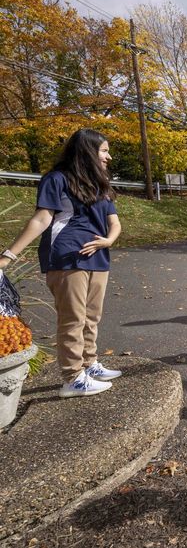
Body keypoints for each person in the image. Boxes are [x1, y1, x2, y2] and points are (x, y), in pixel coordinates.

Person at [0, 128, 122, 398]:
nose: (108, 157)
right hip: (67, 257)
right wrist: (8, 256)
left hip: (98, 258)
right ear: (88, 152)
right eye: (103, 151)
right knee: (73, 319)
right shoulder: (56, 180)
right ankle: (72, 377)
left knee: (92, 317)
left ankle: (89, 365)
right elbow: (42, 220)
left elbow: (114, 223)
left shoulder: (101, 185)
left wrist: (108, 240)